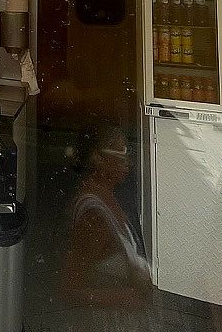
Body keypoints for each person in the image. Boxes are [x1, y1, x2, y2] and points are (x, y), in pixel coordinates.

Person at [60, 126, 154, 331]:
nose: (128, 162)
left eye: (128, 153)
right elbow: (71, 290)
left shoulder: (107, 195)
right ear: (98, 159)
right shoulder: (93, 215)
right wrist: (123, 297)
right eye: (121, 155)